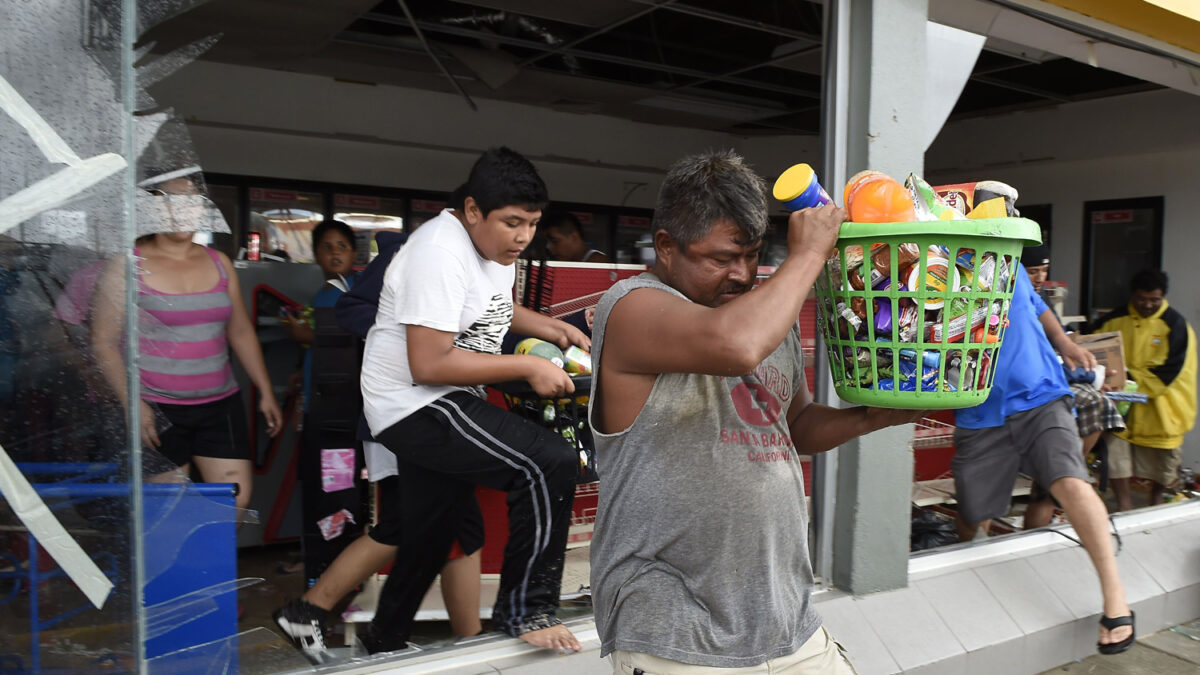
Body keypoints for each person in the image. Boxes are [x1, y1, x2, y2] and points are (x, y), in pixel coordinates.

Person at [588, 149, 921, 673]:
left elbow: (794, 426)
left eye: (751, 255)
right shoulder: (630, 307)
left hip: (784, 617)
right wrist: (809, 255)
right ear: (666, 248)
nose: (742, 275)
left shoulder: (769, 315)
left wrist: (872, 417)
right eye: (721, 259)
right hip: (675, 627)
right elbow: (736, 346)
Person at [276, 148, 588, 659]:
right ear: (471, 211)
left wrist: (548, 327)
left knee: (432, 528)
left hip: (442, 396)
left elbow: (494, 305)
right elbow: (429, 364)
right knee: (547, 460)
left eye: (532, 224)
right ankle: (527, 610)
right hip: (415, 403)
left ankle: (382, 638)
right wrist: (528, 366)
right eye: (512, 223)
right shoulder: (437, 252)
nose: (523, 237)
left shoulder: (492, 252)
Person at [275, 191, 487, 664]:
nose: (517, 235)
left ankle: (450, 640)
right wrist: (412, 327)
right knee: (420, 524)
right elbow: (352, 312)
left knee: (449, 525)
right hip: (405, 412)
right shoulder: (409, 254)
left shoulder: (479, 265)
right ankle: (317, 612)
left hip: (441, 413)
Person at [951, 257, 1134, 654]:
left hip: (1041, 394)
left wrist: (1065, 342)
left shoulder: (1006, 261)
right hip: (978, 409)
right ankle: (972, 583)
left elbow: (1036, 305)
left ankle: (1116, 602)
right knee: (971, 514)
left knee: (1070, 481)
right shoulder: (932, 268)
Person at [91, 176, 283, 513]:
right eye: (169, 201)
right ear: (151, 208)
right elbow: (103, 342)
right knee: (168, 511)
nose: (180, 210)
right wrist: (133, 405)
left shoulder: (220, 263)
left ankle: (213, 567)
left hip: (221, 405)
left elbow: (239, 331)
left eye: (190, 201)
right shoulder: (126, 265)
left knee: (235, 502)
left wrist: (265, 390)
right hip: (157, 408)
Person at [1019, 244, 1126, 529]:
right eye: (1033, 271)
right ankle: (1065, 475)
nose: (1040, 277)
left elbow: (1062, 343)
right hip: (1028, 390)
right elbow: (1037, 358)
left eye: (1044, 270)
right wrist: (1093, 378)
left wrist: (1091, 368)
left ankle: (1065, 475)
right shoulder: (1013, 299)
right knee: (1097, 401)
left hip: (1053, 381)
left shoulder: (1040, 299)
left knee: (1102, 403)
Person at [1095, 269, 1197, 510]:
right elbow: (1092, 349)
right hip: (1120, 406)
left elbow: (1169, 372)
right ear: (1133, 295)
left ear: (1163, 297)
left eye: (1154, 299)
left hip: (1162, 411)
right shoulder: (1113, 320)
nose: (1147, 304)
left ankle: (1156, 500)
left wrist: (1127, 381)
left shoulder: (1176, 326)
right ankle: (1124, 504)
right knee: (1117, 456)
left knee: (1161, 466)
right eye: (1142, 298)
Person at [542, 211, 611, 263]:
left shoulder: (597, 262)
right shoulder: (573, 261)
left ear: (574, 237)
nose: (550, 248)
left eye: (555, 241)